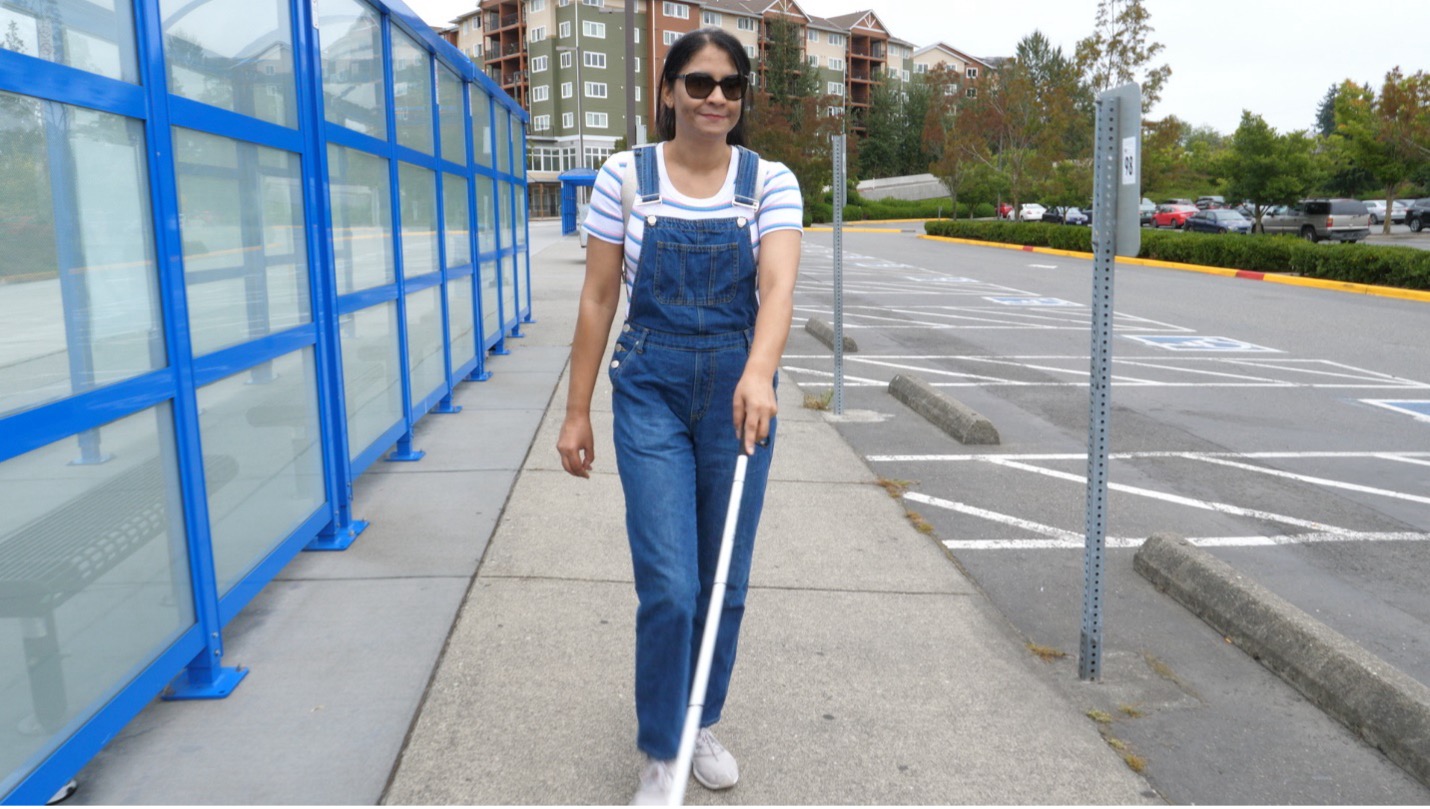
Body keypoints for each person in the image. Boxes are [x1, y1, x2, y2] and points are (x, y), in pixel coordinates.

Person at [555, 27, 803, 806]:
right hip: (651, 386)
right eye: (698, 84)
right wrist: (576, 411)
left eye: (731, 86)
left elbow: (778, 289)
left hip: (739, 392)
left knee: (722, 581)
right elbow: (599, 298)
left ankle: (700, 721)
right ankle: (661, 748)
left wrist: (759, 371)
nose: (716, 99)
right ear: (667, 92)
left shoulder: (769, 181)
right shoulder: (624, 178)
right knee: (670, 583)